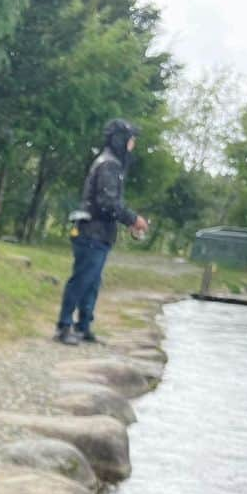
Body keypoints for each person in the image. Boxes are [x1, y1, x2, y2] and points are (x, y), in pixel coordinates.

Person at [54, 118, 149, 345]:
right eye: (131, 139)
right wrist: (133, 219)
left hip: (99, 234)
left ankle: (83, 326)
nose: (133, 144)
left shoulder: (111, 163)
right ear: (121, 140)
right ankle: (64, 326)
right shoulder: (109, 165)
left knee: (92, 282)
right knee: (82, 280)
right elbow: (108, 203)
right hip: (91, 233)